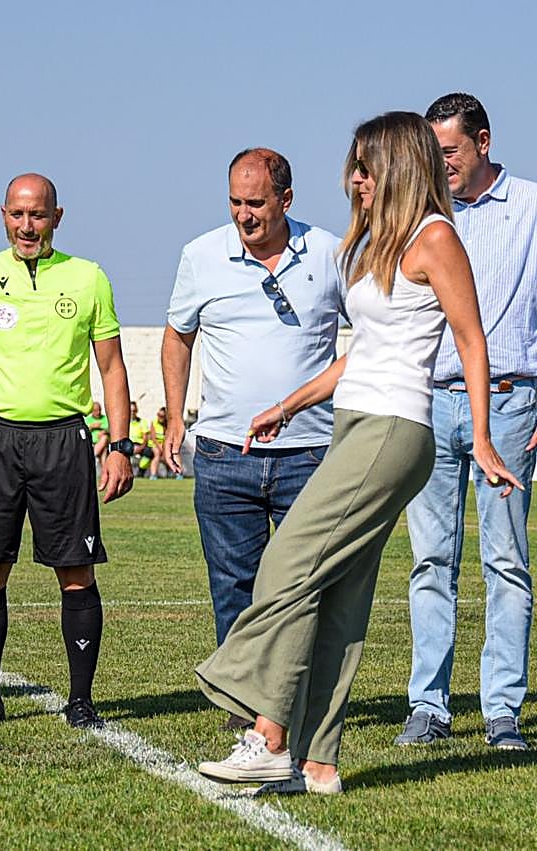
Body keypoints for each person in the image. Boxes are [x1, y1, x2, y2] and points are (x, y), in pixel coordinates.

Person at [194, 111, 522, 795]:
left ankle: (265, 730)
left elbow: (472, 341)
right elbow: (362, 354)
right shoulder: (375, 241)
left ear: (399, 166)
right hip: (354, 420)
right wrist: (291, 402)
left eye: (365, 167)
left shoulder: (437, 238)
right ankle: (318, 762)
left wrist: (485, 437)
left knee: (287, 561)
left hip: (394, 429)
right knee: (341, 594)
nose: (353, 178)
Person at [0, 173, 133, 730]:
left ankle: (82, 701)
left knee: (77, 572)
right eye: (17, 215)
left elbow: (112, 369)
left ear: (57, 217)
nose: (27, 226)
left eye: (38, 215)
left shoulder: (88, 278)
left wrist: (120, 445)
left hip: (64, 440)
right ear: (3, 215)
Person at [161, 149, 345, 670]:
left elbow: (375, 334)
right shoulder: (200, 256)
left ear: (286, 199)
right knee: (232, 591)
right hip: (224, 456)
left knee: (303, 588)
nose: (244, 215)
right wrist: (177, 416)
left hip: (309, 455)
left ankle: (297, 697)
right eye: (235, 203)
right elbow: (178, 338)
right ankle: (244, 702)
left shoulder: (331, 253)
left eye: (257, 203)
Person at [396, 94, 537, 751]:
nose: (439, 163)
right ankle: (428, 705)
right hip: (430, 403)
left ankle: (501, 710)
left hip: (510, 406)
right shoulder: (423, 217)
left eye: (448, 151)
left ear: (482, 141)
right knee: (431, 561)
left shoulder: (532, 208)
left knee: (505, 562)